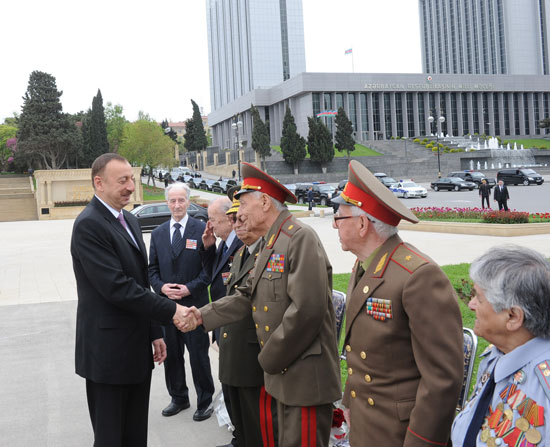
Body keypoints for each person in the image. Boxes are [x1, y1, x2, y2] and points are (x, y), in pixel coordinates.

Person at [185, 162, 342, 446]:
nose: (239, 213)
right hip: (284, 375)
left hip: (304, 379)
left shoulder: (299, 237)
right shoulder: (272, 243)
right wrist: (200, 315)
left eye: (243, 204)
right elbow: (247, 295)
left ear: (265, 202)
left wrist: (266, 359)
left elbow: (307, 310)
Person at [331, 160, 463, 447]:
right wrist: (348, 403)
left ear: (363, 224)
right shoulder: (364, 265)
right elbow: (360, 353)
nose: (333, 224)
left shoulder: (418, 276)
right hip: (368, 423)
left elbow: (442, 379)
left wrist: (420, 442)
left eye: (339, 217)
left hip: (399, 434)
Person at [70, 153, 189, 447]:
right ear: (99, 183)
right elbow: (117, 288)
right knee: (111, 437)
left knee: (135, 435)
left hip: (136, 350)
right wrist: (171, 310)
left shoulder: (130, 221)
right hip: (107, 355)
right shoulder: (89, 225)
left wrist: (154, 332)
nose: (130, 186)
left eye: (132, 179)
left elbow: (140, 281)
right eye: (122, 180)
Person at [452, 245, 550, 447]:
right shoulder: (496, 355)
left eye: (479, 298)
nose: (471, 304)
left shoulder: (544, 388)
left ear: (513, 317)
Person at [215, 187, 278, 447]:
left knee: (259, 430)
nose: (237, 224)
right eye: (233, 219)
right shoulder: (241, 253)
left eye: (241, 218)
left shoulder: (267, 253)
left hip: (254, 358)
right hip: (234, 357)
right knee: (242, 427)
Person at [148, 182, 215, 422]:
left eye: (181, 200)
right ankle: (179, 398)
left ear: (188, 201)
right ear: (167, 203)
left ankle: (205, 401)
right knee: (173, 355)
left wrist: (189, 288)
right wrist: (160, 287)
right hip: (167, 308)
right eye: (172, 201)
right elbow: (152, 270)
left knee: (198, 356)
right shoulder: (157, 234)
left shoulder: (201, 230)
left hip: (193, 307)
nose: (177, 205)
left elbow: (209, 270)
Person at [200, 196, 243, 447]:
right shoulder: (223, 243)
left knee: (233, 381)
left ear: (229, 219)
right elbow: (211, 278)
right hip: (222, 323)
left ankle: (241, 436)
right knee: (227, 379)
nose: (210, 226)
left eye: (214, 220)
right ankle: (238, 433)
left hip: (231, 323)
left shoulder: (238, 244)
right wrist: (207, 247)